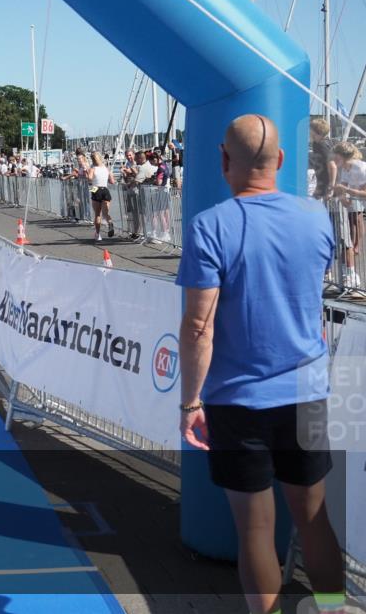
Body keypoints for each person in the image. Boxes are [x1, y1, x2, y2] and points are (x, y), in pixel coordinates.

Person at [176, 115, 344, 614]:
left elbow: (198, 327)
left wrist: (190, 402)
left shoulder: (209, 226)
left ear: (224, 160)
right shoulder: (317, 217)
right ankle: (333, 607)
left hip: (237, 398)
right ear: (282, 161)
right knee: (313, 517)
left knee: (255, 527)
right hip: (306, 390)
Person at [331, 141, 366, 291]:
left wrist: (347, 191)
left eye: (335, 155)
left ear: (343, 155)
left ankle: (356, 245)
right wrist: (341, 196)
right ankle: (353, 248)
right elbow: (342, 187)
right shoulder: (345, 168)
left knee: (356, 219)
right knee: (351, 221)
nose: (333, 158)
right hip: (355, 197)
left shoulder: (360, 167)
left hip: (359, 197)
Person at [87, 151, 115, 241]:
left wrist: (88, 178)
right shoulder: (106, 168)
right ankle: (110, 223)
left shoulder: (92, 168)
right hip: (105, 189)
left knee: (97, 214)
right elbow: (112, 181)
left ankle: (98, 234)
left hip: (95, 189)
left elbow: (90, 179)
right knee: (105, 212)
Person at [308, 117, 337, 201]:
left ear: (315, 131)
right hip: (322, 183)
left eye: (310, 129)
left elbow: (333, 166)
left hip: (326, 185)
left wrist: (331, 187)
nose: (309, 131)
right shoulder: (325, 142)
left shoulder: (321, 145)